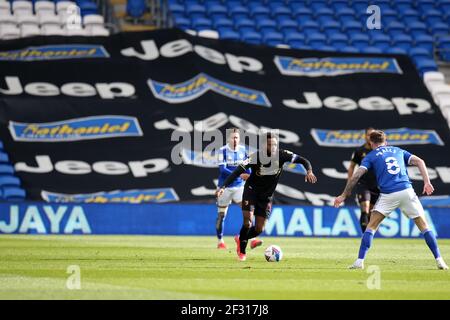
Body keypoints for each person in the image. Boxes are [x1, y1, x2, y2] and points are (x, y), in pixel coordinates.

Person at [334, 130, 448, 270]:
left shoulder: (371, 156)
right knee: (424, 227)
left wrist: (344, 195)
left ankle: (359, 261)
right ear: (385, 142)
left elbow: (356, 175)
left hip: (389, 194)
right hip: (407, 191)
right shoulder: (398, 150)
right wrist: (427, 182)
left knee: (371, 226)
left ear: (371, 143)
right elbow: (420, 161)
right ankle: (440, 260)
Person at [216, 132, 317, 261]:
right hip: (251, 191)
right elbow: (237, 171)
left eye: (275, 144)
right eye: (270, 144)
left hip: (266, 196)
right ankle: (242, 251)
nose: (273, 147)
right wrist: (223, 187)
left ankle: (240, 238)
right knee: (247, 222)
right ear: (264, 145)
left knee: (259, 228)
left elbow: (303, 160)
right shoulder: (255, 157)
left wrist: (309, 171)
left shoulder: (282, 155)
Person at [215, 128, 252, 249]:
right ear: (228, 139)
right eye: (232, 137)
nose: (235, 140)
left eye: (237, 137)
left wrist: (250, 176)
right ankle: (220, 241)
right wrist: (240, 174)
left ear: (239, 138)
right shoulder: (223, 150)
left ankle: (252, 238)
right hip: (224, 187)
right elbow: (222, 169)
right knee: (221, 215)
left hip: (239, 187)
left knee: (248, 211)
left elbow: (248, 168)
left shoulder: (243, 150)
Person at [347, 127, 380, 232]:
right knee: (364, 208)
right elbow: (352, 166)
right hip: (363, 184)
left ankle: (369, 234)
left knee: (371, 212)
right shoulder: (359, 151)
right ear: (365, 136)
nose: (370, 137)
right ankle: (364, 235)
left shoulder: (379, 151)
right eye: (369, 135)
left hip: (376, 185)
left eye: (372, 135)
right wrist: (349, 182)